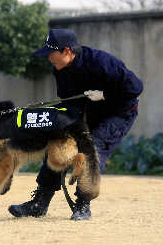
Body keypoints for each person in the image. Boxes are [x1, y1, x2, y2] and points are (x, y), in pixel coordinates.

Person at [8, 28, 143, 220]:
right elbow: (68, 102)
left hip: (119, 113)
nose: (49, 58)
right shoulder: (60, 69)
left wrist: (105, 94)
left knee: (91, 147)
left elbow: (135, 87)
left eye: (51, 53)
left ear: (67, 51)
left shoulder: (101, 62)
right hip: (88, 111)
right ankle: (40, 202)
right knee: (59, 143)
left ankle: (83, 205)